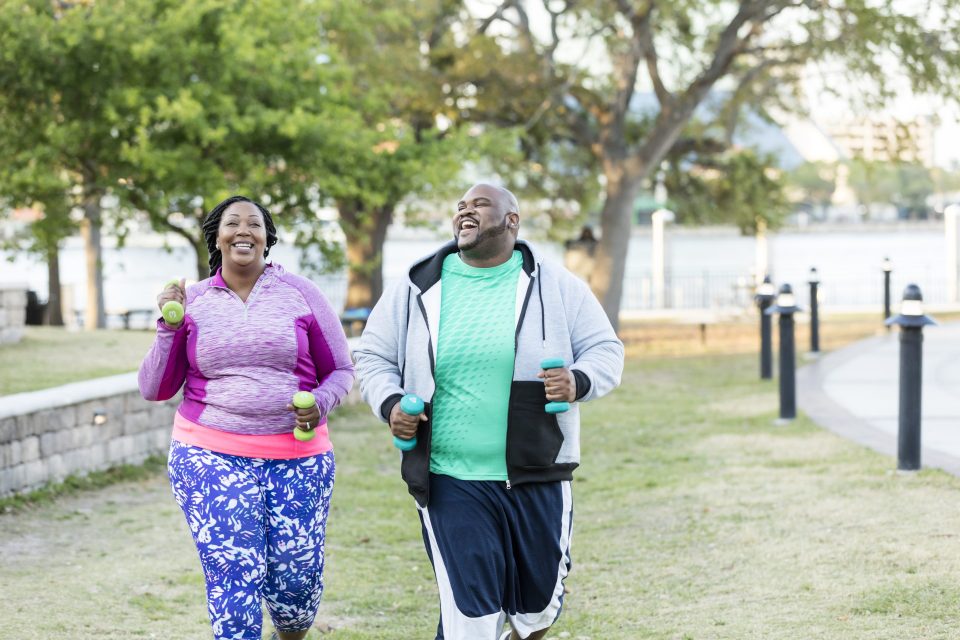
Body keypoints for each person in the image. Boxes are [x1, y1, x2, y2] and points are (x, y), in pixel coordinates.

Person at [354, 183, 624, 640]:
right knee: (471, 620)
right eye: (460, 205)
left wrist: (577, 381)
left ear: (511, 220)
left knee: (536, 611)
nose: (465, 211)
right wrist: (391, 402)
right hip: (449, 477)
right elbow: (373, 355)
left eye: (479, 204)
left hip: (538, 470)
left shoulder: (554, 283)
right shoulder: (419, 284)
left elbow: (606, 350)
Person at [138, 195, 355, 640]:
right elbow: (155, 388)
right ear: (216, 237)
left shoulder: (301, 293)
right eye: (232, 223)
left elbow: (341, 369)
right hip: (209, 453)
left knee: (296, 590)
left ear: (267, 238)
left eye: (254, 223)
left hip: (298, 457)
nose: (243, 230)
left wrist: (321, 402)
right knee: (234, 581)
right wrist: (168, 326)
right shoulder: (193, 300)